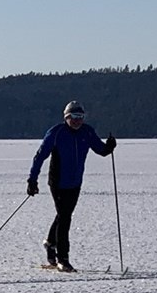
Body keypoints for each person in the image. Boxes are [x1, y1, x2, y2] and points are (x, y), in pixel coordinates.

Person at [27, 101, 115, 272]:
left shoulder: (87, 131)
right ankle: (63, 259)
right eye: (73, 117)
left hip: (75, 183)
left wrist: (109, 146)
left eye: (80, 117)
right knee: (65, 217)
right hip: (58, 182)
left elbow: (101, 150)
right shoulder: (56, 133)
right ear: (66, 117)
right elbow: (39, 156)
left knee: (63, 215)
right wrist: (32, 180)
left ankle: (50, 243)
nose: (77, 120)